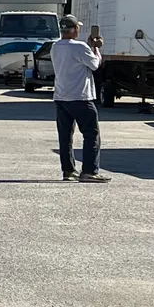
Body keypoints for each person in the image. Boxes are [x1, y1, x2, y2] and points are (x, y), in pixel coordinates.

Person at [51, 15, 109, 183]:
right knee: (91, 133)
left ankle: (68, 171)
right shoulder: (79, 47)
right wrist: (96, 48)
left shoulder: (55, 47)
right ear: (75, 29)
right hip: (81, 96)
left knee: (65, 135)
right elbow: (95, 64)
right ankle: (90, 171)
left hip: (61, 96)